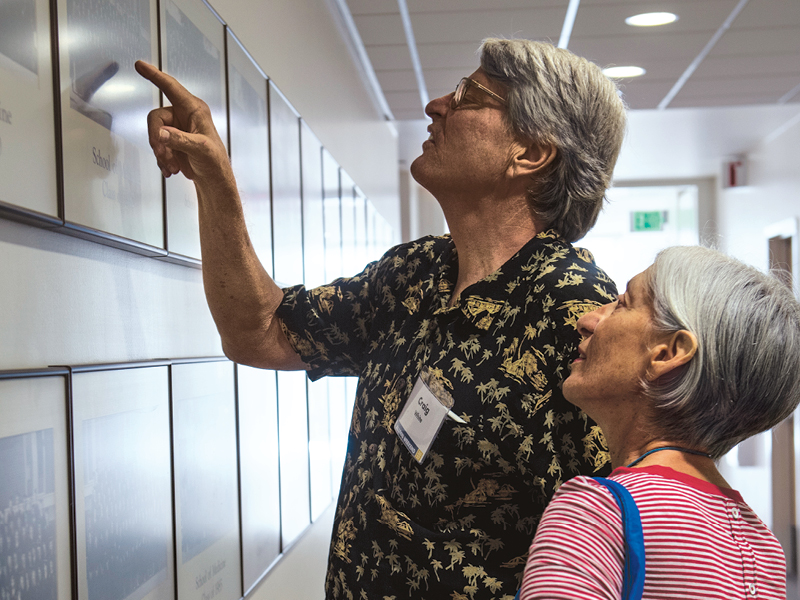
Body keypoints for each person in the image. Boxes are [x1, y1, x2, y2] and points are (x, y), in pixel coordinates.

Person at [136, 37, 627, 599]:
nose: (436, 104)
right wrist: (214, 181)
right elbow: (259, 332)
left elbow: (612, 541)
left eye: (469, 94)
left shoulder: (576, 315)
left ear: (531, 154)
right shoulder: (416, 274)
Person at [519, 245, 800, 600]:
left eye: (623, 303)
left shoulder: (599, 513)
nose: (588, 320)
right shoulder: (762, 547)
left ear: (667, 354)